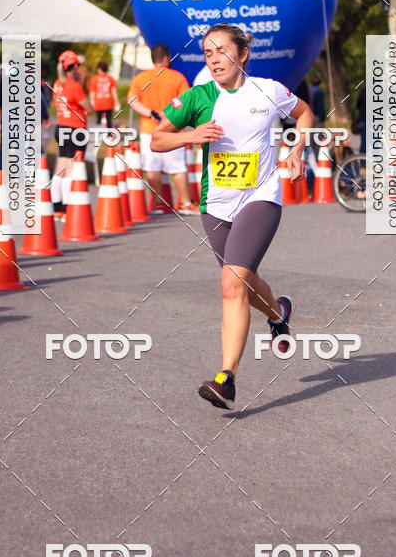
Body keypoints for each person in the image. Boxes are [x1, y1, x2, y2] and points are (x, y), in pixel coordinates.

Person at [151, 24, 313, 410]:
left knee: (231, 280)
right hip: (216, 205)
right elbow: (157, 139)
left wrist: (297, 149)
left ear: (242, 54)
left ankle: (226, 379)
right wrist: (189, 136)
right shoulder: (198, 97)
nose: (214, 59)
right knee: (241, 283)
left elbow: (304, 113)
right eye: (208, 53)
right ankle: (279, 312)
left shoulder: (268, 90)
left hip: (261, 197)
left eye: (222, 51)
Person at [128, 44, 197, 215]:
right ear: (166, 58)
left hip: (149, 129)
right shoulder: (177, 77)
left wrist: (150, 113)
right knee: (178, 168)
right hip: (172, 129)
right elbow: (185, 103)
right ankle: (185, 203)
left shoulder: (141, 78)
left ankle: (157, 204)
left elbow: (132, 101)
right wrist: (169, 115)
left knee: (152, 168)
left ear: (153, 59)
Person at [51, 50, 93, 215]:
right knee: (71, 169)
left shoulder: (57, 84)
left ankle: (57, 207)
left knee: (61, 167)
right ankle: (67, 207)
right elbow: (89, 108)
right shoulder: (75, 87)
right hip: (76, 129)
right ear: (74, 67)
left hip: (61, 126)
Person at [89, 61, 120, 128]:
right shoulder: (110, 78)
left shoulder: (95, 78)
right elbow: (114, 92)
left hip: (98, 103)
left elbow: (92, 92)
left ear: (99, 69)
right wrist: (116, 102)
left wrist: (91, 101)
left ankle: (99, 132)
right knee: (109, 121)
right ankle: (109, 133)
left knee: (98, 121)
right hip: (108, 103)